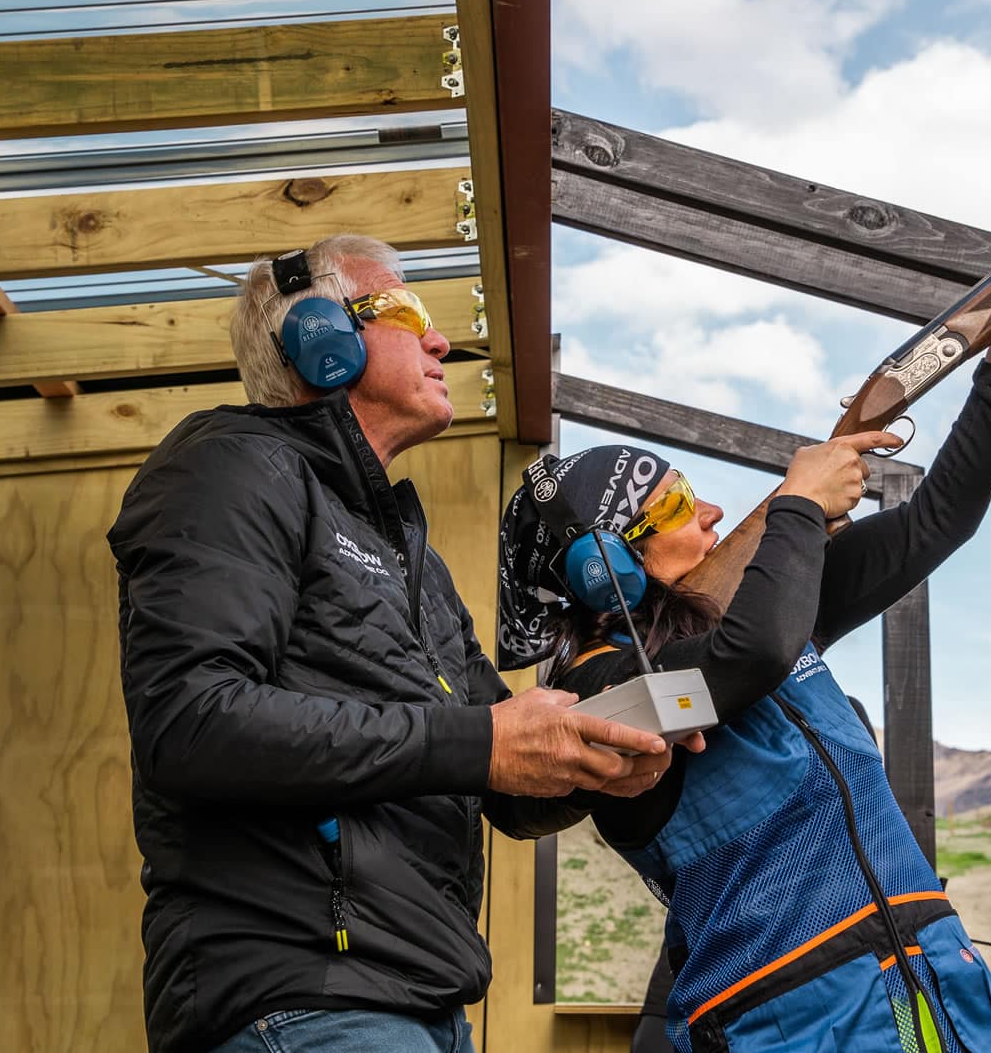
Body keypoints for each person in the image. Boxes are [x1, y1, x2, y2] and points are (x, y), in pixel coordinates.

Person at [106, 233, 691, 1053]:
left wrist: (593, 761)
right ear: (320, 339)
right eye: (407, 313)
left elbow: (500, 779)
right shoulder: (229, 469)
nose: (440, 340)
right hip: (300, 992)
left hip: (418, 1000)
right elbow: (190, 723)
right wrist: (481, 742)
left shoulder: (413, 557)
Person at [496, 252, 991, 1052]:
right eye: (676, 504)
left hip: (934, 991)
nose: (710, 510)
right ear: (606, 566)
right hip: (794, 1023)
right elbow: (754, 656)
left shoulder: (746, 615)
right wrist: (799, 508)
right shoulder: (599, 692)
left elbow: (936, 522)